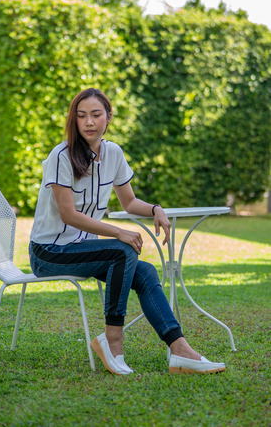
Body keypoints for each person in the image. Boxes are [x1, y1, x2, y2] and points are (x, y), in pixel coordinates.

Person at [29, 88, 226, 376]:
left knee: (145, 272)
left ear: (108, 117)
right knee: (121, 251)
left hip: (85, 249)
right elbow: (68, 214)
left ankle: (180, 351)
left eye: (96, 115)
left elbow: (129, 201)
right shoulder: (61, 155)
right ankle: (113, 340)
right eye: (81, 116)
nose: (89, 122)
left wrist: (155, 209)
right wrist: (118, 232)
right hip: (49, 252)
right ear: (74, 119)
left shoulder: (114, 153)